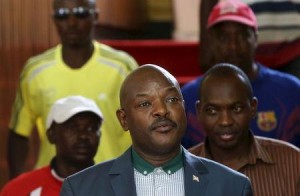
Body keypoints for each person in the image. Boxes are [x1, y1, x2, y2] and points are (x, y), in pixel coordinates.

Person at [60, 64, 253, 196]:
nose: (161, 110)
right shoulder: (81, 189)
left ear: (184, 108)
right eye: (144, 103)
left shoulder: (232, 186)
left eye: (171, 100)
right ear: (124, 119)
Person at [7, 0, 138, 179]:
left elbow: (141, 126)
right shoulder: (35, 71)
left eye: (80, 13)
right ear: (53, 19)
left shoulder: (122, 67)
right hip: (54, 181)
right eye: (62, 14)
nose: (71, 23)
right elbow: (18, 135)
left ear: (96, 16)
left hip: (111, 179)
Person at [181, 0, 300, 149]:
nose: (233, 46)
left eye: (242, 36)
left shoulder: (291, 91)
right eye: (224, 37)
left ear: (255, 39)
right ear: (211, 41)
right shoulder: (189, 97)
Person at [189, 63, 300, 196]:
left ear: (253, 108)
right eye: (212, 110)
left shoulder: (294, 163)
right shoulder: (181, 172)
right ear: (199, 111)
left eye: (237, 109)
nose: (225, 121)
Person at [2, 96, 103, 195]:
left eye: (92, 128)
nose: (83, 136)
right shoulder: (19, 190)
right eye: (72, 127)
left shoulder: (115, 185)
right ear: (51, 134)